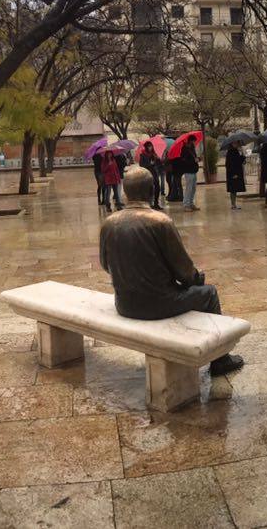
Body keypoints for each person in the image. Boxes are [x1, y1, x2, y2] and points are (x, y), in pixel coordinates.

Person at [101, 166, 244, 376]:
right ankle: (219, 359)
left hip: (124, 303)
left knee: (194, 291)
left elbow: (106, 265)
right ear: (152, 190)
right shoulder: (160, 221)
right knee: (209, 293)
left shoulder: (109, 223)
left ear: (125, 191)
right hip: (158, 304)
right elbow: (184, 272)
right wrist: (197, 279)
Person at [138, 142, 166, 210]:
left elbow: (159, 164)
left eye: (151, 146)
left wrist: (159, 159)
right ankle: (150, 204)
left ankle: (156, 203)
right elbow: (141, 165)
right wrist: (150, 164)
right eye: (148, 146)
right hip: (147, 174)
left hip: (155, 173)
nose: (150, 148)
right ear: (146, 147)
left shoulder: (154, 154)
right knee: (150, 189)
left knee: (157, 188)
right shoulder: (143, 155)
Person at [174, 142, 200, 211]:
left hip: (194, 170)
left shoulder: (192, 149)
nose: (192, 143)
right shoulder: (184, 151)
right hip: (188, 171)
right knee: (189, 188)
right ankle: (186, 205)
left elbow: (194, 158)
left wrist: (198, 159)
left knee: (193, 188)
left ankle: (191, 203)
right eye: (191, 141)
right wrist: (193, 160)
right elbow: (184, 161)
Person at [225, 142, 247, 209]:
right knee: (233, 189)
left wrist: (242, 156)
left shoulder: (236, 151)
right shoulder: (230, 152)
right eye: (235, 143)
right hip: (233, 173)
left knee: (235, 189)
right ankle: (233, 205)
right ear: (231, 144)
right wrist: (233, 174)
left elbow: (239, 161)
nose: (237, 144)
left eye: (237, 143)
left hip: (237, 172)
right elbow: (229, 164)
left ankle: (234, 204)